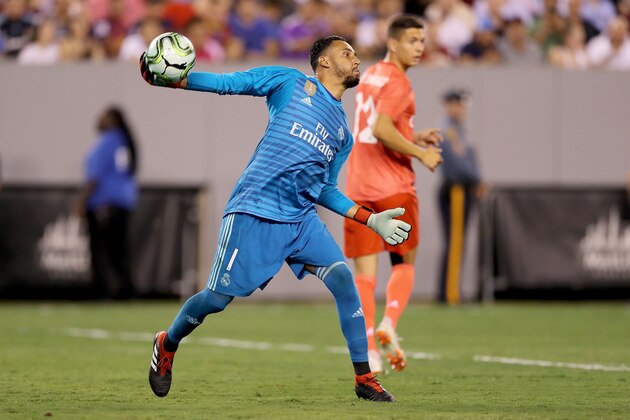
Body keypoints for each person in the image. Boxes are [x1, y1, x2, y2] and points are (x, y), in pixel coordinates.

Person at [139, 35, 412, 402]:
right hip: (255, 208)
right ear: (325, 63)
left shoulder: (342, 134)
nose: (356, 58)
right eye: (346, 52)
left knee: (345, 279)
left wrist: (370, 219)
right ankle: (167, 342)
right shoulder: (289, 82)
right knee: (216, 300)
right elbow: (229, 84)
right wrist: (180, 80)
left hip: (301, 218)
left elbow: (324, 189)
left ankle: (364, 378)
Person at [344, 15, 443, 375]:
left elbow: (374, 128)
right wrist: (421, 153)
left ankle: (369, 351)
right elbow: (381, 128)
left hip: (358, 186)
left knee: (364, 276)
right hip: (395, 188)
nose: (419, 47)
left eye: (422, 40)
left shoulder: (370, 74)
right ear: (394, 43)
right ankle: (389, 323)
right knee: (404, 262)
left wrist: (414, 135)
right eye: (413, 40)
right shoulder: (400, 81)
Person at [76, 106, 139, 300]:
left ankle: (101, 291)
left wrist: (81, 201)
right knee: (118, 250)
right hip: (123, 202)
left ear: (112, 120)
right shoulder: (124, 141)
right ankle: (126, 290)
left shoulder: (107, 141)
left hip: (103, 202)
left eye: (103, 116)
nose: (98, 119)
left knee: (100, 250)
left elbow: (94, 177)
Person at [436, 88, 486, 305]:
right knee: (455, 241)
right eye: (457, 104)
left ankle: (451, 290)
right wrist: (477, 180)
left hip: (464, 189)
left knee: (458, 241)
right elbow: (459, 164)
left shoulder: (460, 130)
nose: (461, 109)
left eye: (463, 105)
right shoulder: (449, 131)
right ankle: (450, 293)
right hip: (456, 189)